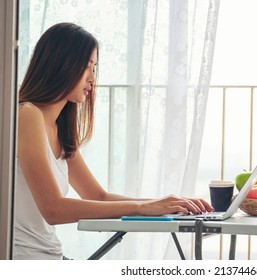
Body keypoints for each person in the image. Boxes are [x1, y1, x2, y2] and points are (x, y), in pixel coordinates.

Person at [14, 22, 213, 260]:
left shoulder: (60, 128)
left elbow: (97, 196)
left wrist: (167, 202)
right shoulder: (27, 114)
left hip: (51, 256)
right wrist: (142, 208)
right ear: (60, 64)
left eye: (94, 68)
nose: (92, 79)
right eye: (86, 66)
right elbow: (53, 209)